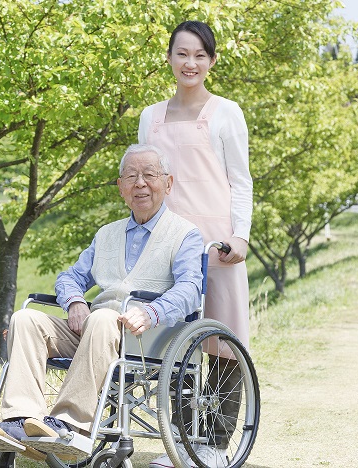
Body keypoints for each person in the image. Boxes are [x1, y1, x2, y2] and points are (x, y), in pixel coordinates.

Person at [0, 143, 204, 460]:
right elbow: (70, 277)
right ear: (121, 187)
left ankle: (67, 424)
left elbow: (191, 288)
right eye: (131, 176)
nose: (140, 183)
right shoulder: (106, 234)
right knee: (25, 319)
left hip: (146, 337)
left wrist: (152, 312)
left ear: (167, 183)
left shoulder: (185, 234)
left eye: (149, 175)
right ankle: (18, 420)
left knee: (101, 318)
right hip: (94, 331)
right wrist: (74, 302)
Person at [138, 20, 253, 468]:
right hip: (167, 245)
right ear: (169, 58)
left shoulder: (227, 112)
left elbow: (240, 182)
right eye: (182, 54)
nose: (191, 63)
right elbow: (145, 179)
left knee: (223, 345)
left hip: (217, 246)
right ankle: (182, 447)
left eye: (200, 55)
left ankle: (217, 446)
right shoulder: (151, 116)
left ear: (212, 61)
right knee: (175, 346)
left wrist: (240, 236)